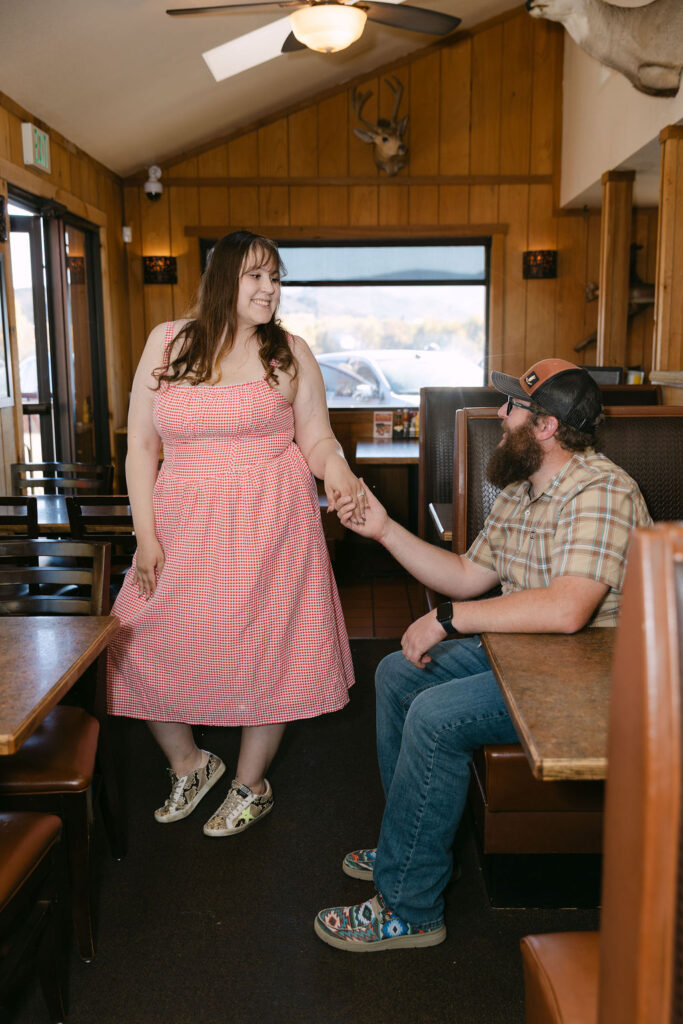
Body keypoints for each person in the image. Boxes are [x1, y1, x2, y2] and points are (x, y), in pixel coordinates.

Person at [314, 358, 652, 951]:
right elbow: (468, 576)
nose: (499, 414)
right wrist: (385, 528)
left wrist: (448, 620)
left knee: (435, 716)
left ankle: (410, 907)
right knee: (397, 673)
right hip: (527, 656)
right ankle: (412, 844)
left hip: (594, 675)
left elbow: (568, 610)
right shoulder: (523, 489)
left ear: (545, 426)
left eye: (512, 407)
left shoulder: (605, 491)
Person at [107, 230, 363, 838]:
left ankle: (251, 785)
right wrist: (144, 533)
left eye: (274, 276)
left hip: (273, 525)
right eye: (255, 275)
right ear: (223, 278)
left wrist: (342, 475)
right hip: (181, 522)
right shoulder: (167, 342)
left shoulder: (290, 354)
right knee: (134, 642)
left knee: (266, 651)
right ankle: (191, 763)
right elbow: (141, 443)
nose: (269, 288)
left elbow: (317, 438)